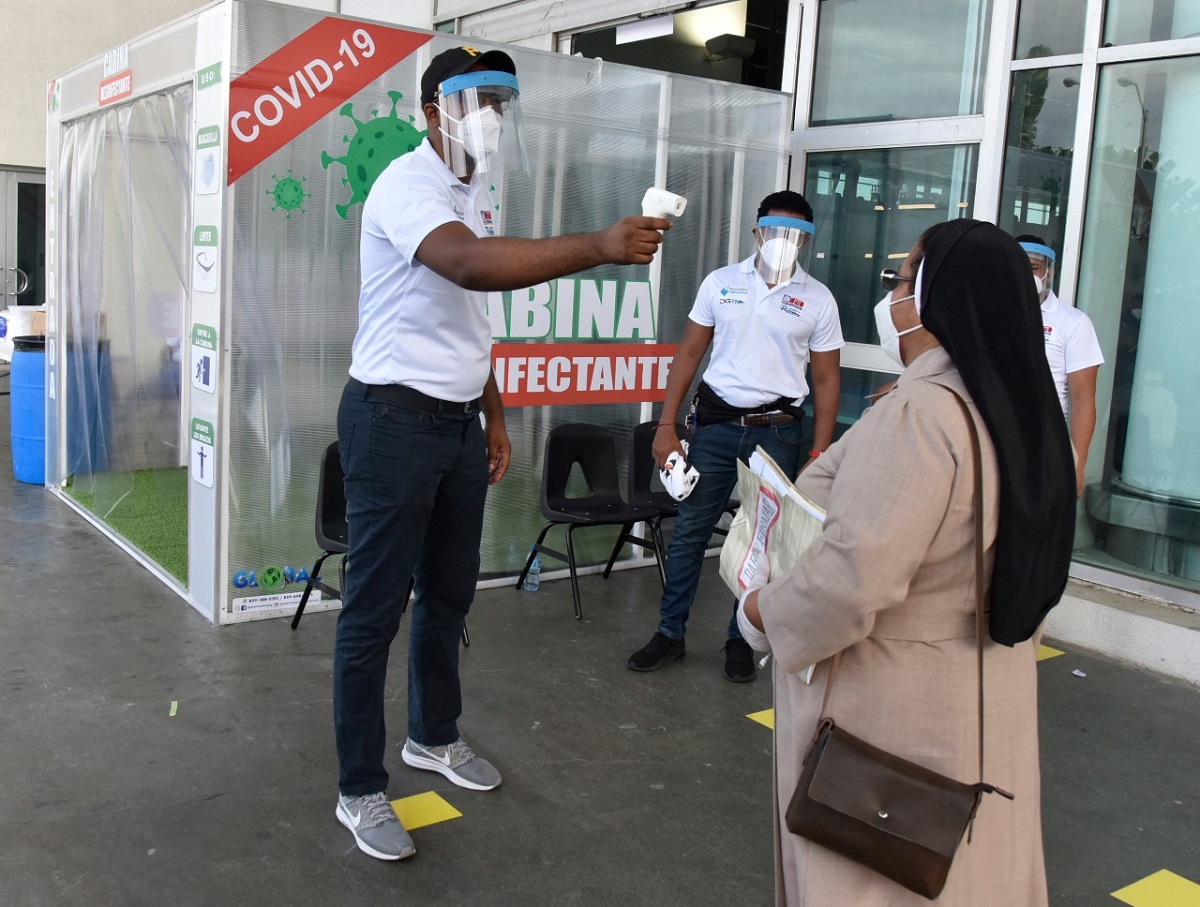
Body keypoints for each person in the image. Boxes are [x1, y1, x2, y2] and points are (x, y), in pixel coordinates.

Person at [334, 45, 671, 862]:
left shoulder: (477, 191)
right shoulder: (407, 185)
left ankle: (432, 737)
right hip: (390, 420)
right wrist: (596, 244)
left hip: (452, 423)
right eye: (478, 98)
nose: (492, 114)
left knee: (448, 596)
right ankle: (359, 788)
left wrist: (491, 416)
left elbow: (472, 320)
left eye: (502, 102)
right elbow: (467, 266)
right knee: (375, 611)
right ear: (431, 109)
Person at [740, 219, 1074, 905]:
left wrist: (760, 612)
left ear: (933, 297)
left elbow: (853, 577)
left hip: (894, 726)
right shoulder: (1023, 409)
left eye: (900, 282)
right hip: (987, 710)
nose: (891, 298)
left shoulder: (925, 414)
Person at [627, 191, 843, 682]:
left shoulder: (818, 298)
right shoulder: (721, 283)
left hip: (779, 435)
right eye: (775, 231)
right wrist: (667, 426)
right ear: (757, 232)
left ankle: (740, 639)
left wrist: (819, 453)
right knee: (690, 534)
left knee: (762, 545)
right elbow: (688, 355)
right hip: (716, 430)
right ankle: (669, 633)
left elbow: (828, 381)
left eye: (796, 235)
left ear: (807, 242)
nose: (783, 242)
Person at [1015, 234, 1104, 498]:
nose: (1023, 275)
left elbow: (1083, 399)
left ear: (1049, 273)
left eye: (1032, 268)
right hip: (987, 440)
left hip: (1042, 447)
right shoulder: (986, 314)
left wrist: (1077, 465)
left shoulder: (1072, 323)